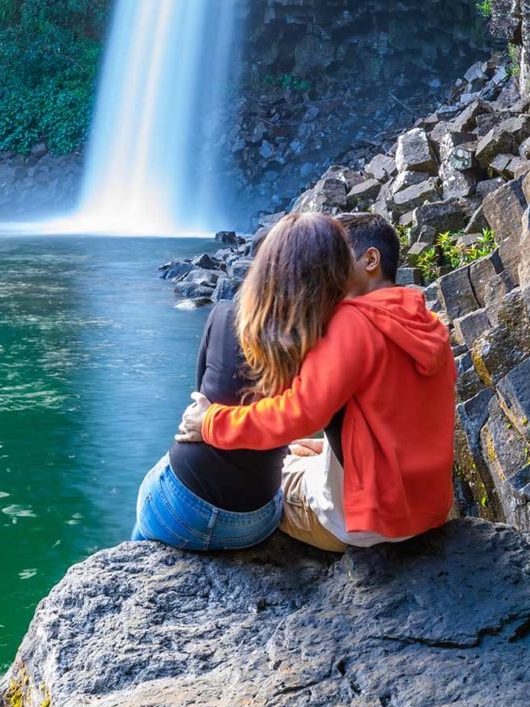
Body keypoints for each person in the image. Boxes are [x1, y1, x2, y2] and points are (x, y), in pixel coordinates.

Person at [177, 211, 457, 552]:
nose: (328, 271)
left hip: (365, 524)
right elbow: (406, 419)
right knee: (299, 454)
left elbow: (298, 413)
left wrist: (210, 422)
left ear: (371, 259)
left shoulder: (353, 323)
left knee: (268, 483)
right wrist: (335, 450)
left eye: (338, 258)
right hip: (428, 512)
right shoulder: (429, 324)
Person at [131, 213, 351, 550]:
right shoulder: (333, 345)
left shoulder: (222, 315)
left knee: (155, 488)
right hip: (255, 520)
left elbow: (203, 399)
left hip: (183, 507)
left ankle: (136, 568)